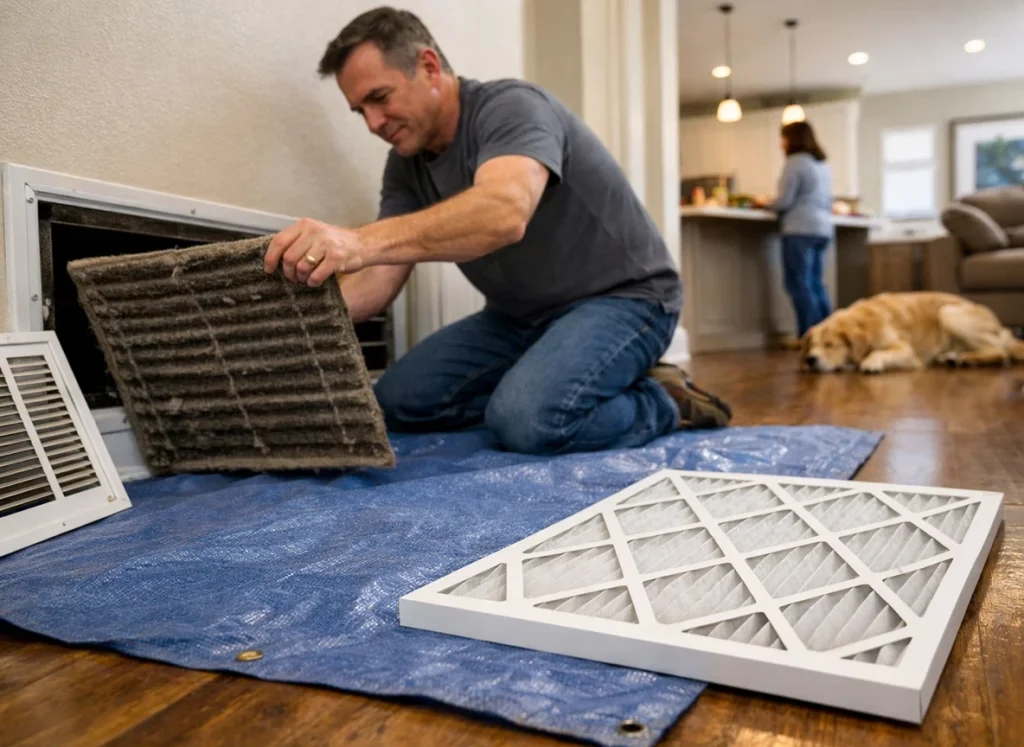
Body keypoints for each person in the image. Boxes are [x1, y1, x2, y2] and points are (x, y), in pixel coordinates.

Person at [263, 6, 731, 455]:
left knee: (530, 422)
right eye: (359, 111)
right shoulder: (405, 164)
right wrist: (280, 333)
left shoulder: (511, 107)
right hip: (517, 317)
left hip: (627, 301)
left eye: (379, 99)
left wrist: (358, 241)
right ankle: (560, 384)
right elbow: (379, 274)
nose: (373, 123)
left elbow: (504, 212)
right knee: (397, 401)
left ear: (428, 66)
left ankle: (664, 401)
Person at [760, 120, 835, 339]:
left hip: (800, 228)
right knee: (815, 283)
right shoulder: (821, 164)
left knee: (799, 284)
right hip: (823, 229)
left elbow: (784, 201)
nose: (780, 143)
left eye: (782, 138)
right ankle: (828, 336)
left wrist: (763, 203)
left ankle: (808, 337)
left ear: (791, 139)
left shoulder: (795, 162)